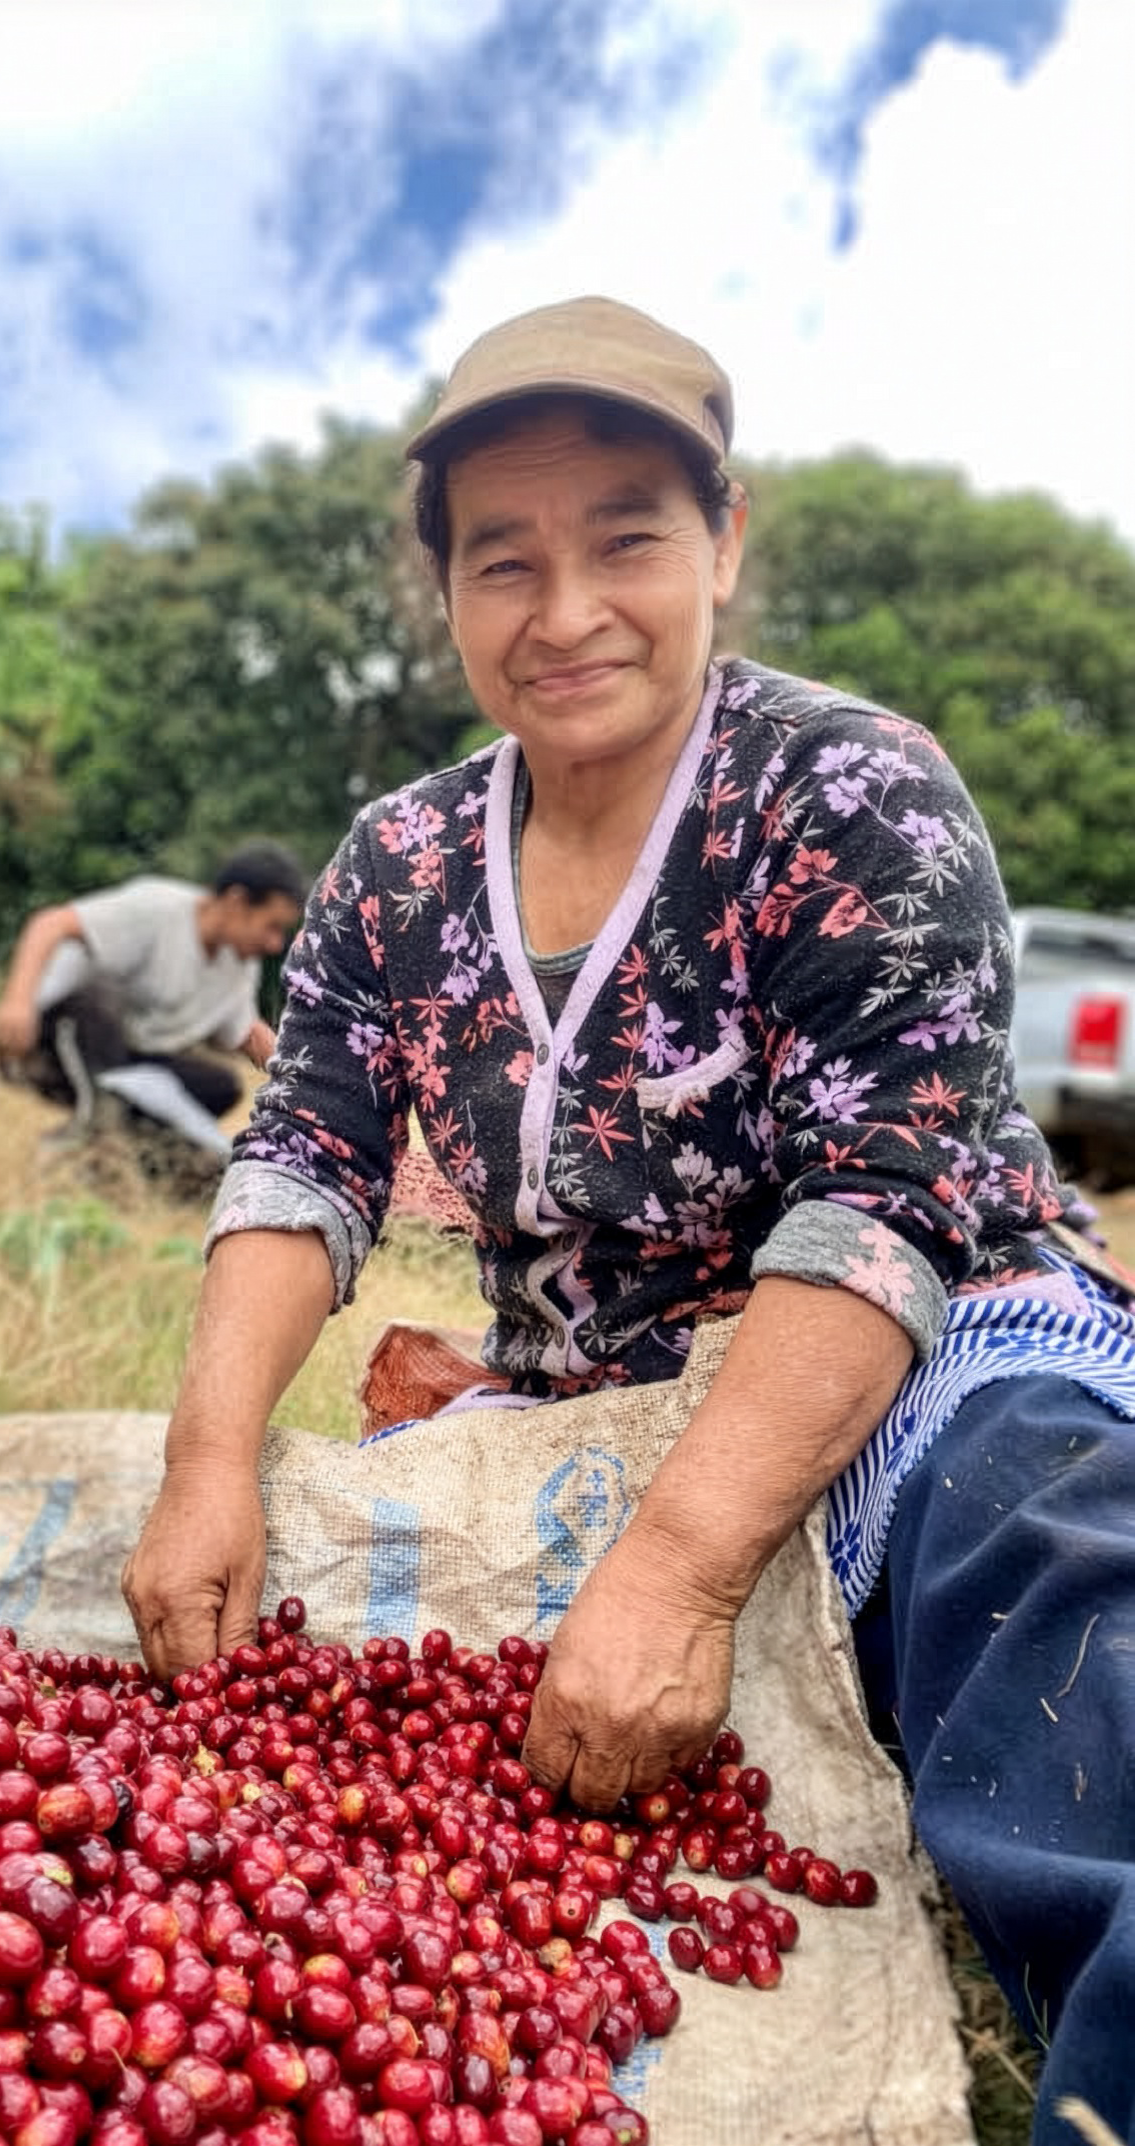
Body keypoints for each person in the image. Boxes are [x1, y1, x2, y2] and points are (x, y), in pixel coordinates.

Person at [121, 296, 1135, 2141]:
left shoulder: (846, 789)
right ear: (442, 589)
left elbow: (888, 1195)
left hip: (926, 1334)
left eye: (629, 540)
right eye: (501, 557)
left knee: (1049, 1565)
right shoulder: (402, 864)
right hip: (588, 1388)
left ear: (726, 544)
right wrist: (211, 1453)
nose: (565, 610)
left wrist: (674, 1575)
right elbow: (306, 1158)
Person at [0, 842, 305, 1155]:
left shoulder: (239, 964)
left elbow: (246, 1031)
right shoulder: (157, 908)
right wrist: (18, 1002)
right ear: (237, 902)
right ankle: (87, 1133)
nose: (275, 944)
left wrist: (304, 1083)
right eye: (272, 927)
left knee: (220, 1087)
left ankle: (136, 1153)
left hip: (130, 1058)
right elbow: (50, 923)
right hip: (47, 1037)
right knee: (102, 995)